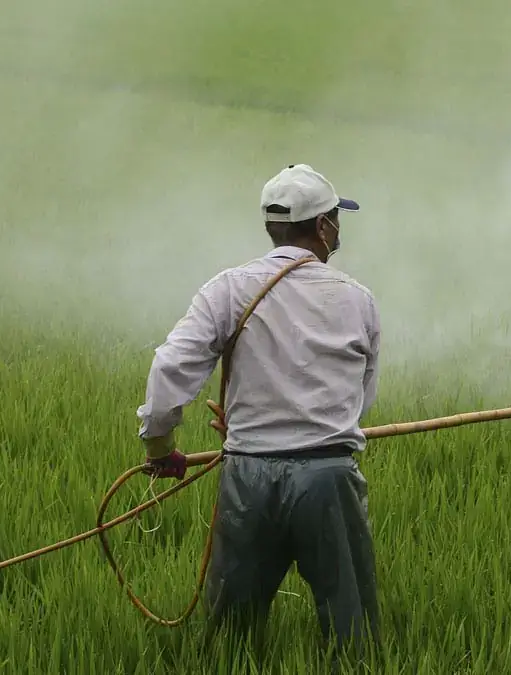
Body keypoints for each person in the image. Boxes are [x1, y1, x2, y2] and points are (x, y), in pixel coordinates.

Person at [134, 163, 382, 656]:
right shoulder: (356, 300)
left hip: (248, 476)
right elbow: (360, 398)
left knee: (231, 639)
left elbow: (169, 370)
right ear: (321, 226)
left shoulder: (227, 288)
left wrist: (161, 448)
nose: (338, 228)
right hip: (328, 477)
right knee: (352, 634)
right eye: (336, 217)